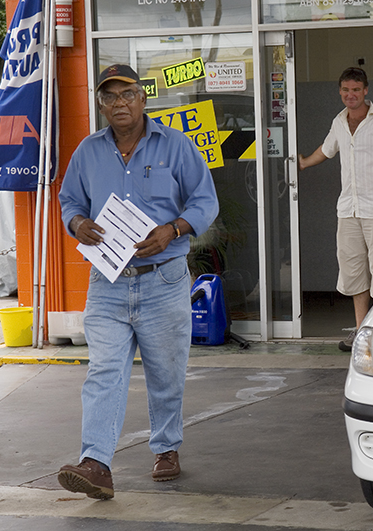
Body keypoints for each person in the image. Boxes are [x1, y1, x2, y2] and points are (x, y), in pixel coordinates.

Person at [56, 64, 218, 500]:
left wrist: (175, 228)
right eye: (110, 97)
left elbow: (206, 199)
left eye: (127, 94)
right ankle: (96, 463)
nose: (119, 104)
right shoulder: (88, 151)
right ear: (101, 104)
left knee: (166, 373)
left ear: (142, 98)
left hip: (163, 279)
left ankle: (166, 448)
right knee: (104, 370)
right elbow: (68, 198)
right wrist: (77, 222)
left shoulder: (175, 145)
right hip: (107, 280)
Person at [298, 67, 373, 351]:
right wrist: (305, 162)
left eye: (356, 90)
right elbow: (328, 148)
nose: (350, 95)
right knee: (354, 273)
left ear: (366, 90)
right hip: (348, 210)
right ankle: (361, 332)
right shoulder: (339, 121)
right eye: (345, 90)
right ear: (340, 91)